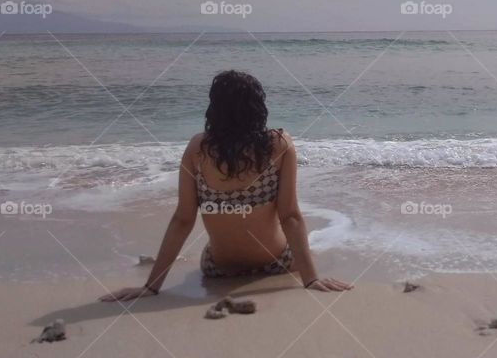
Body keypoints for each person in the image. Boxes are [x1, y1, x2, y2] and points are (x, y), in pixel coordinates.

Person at [100, 70, 351, 301]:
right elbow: (290, 216)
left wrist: (151, 286)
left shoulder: (197, 149)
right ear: (259, 107)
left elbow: (183, 219)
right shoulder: (279, 144)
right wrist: (311, 280)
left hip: (217, 269)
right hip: (278, 262)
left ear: (214, 108)